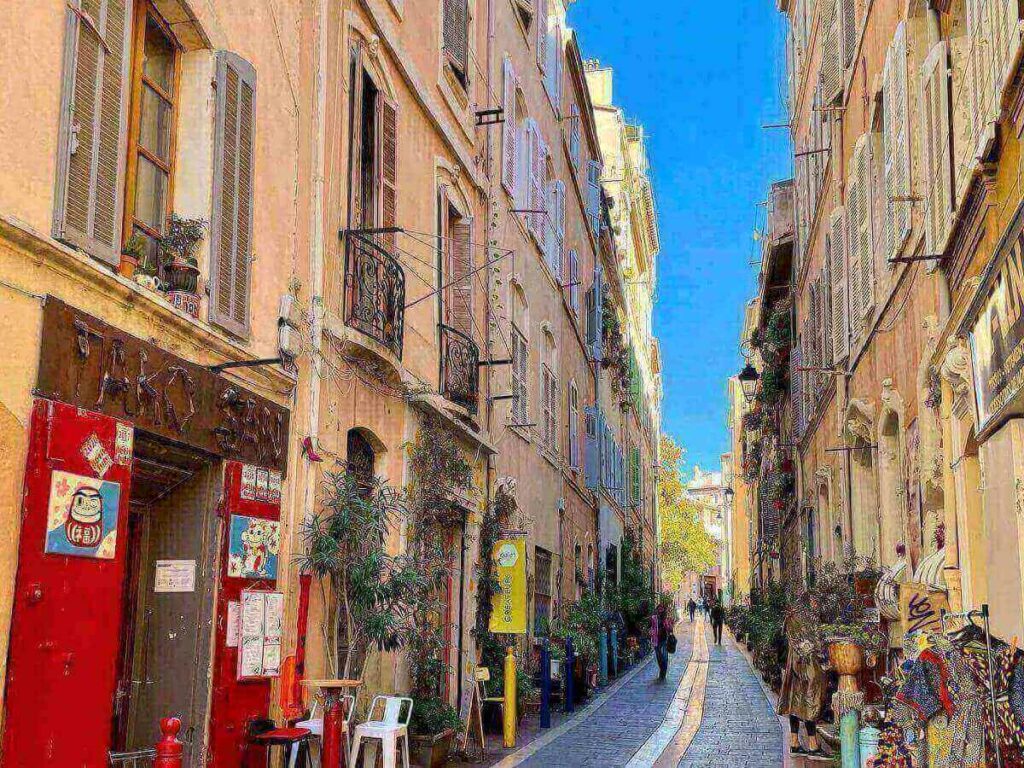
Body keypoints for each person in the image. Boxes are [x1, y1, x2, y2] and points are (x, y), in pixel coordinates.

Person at [650, 600, 675, 681]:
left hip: (664, 640)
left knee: (664, 657)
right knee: (659, 657)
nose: (660, 610)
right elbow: (650, 627)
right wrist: (651, 632)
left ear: (664, 610)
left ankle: (663, 674)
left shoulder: (666, 618)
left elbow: (670, 629)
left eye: (662, 609)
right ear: (657, 610)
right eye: (659, 609)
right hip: (656, 640)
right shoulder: (653, 618)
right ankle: (662, 670)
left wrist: (668, 624)